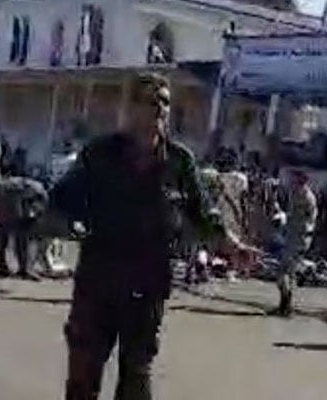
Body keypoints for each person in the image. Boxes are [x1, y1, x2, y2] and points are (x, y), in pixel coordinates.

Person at [49, 73, 234, 400]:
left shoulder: (179, 161)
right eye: (152, 101)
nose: (161, 109)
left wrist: (230, 244)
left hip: (148, 285)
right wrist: (64, 223)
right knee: (83, 374)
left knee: (137, 377)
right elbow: (63, 199)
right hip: (99, 281)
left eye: (165, 101)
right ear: (131, 107)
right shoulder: (100, 154)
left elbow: (203, 212)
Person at [271, 168, 318, 317]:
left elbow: (311, 219)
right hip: (293, 237)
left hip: (299, 239)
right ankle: (285, 306)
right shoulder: (296, 194)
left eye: (293, 179)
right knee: (288, 273)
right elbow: (295, 215)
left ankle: (286, 307)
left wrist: (304, 233)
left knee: (283, 272)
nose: (290, 181)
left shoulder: (308, 197)